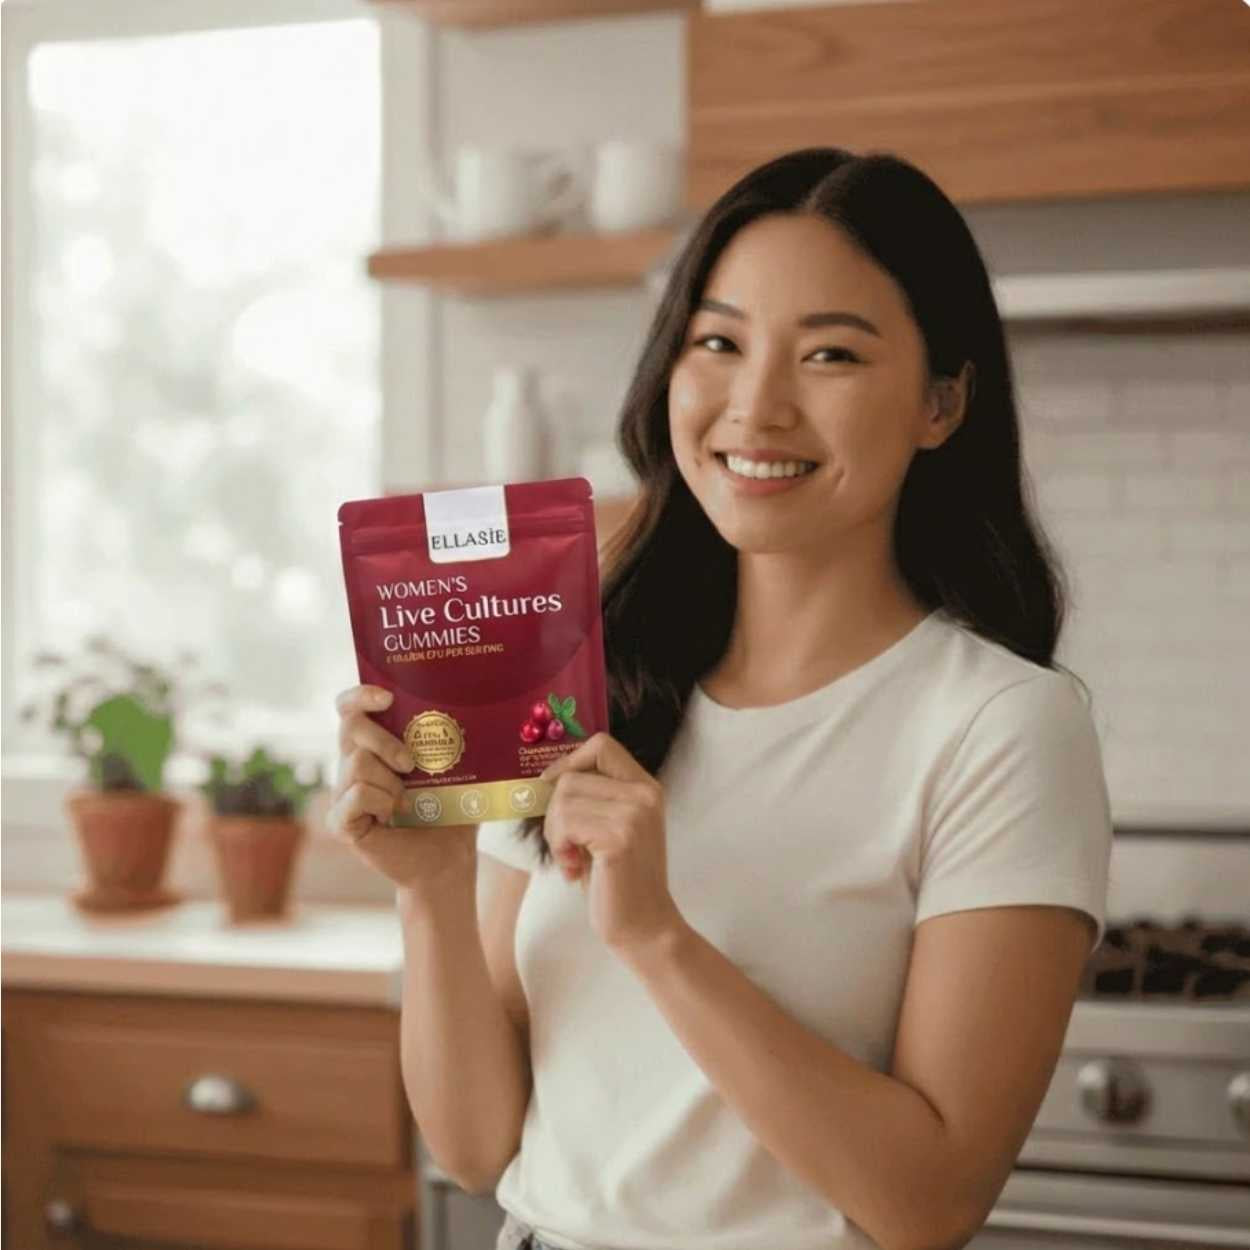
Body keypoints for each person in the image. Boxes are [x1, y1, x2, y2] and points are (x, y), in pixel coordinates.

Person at [329, 147, 1113, 1250]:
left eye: (830, 353)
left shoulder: (998, 726)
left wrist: (658, 937)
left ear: (941, 401)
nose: (756, 405)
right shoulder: (581, 684)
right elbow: (473, 1146)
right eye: (717, 341)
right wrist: (430, 888)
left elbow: (929, 1200)